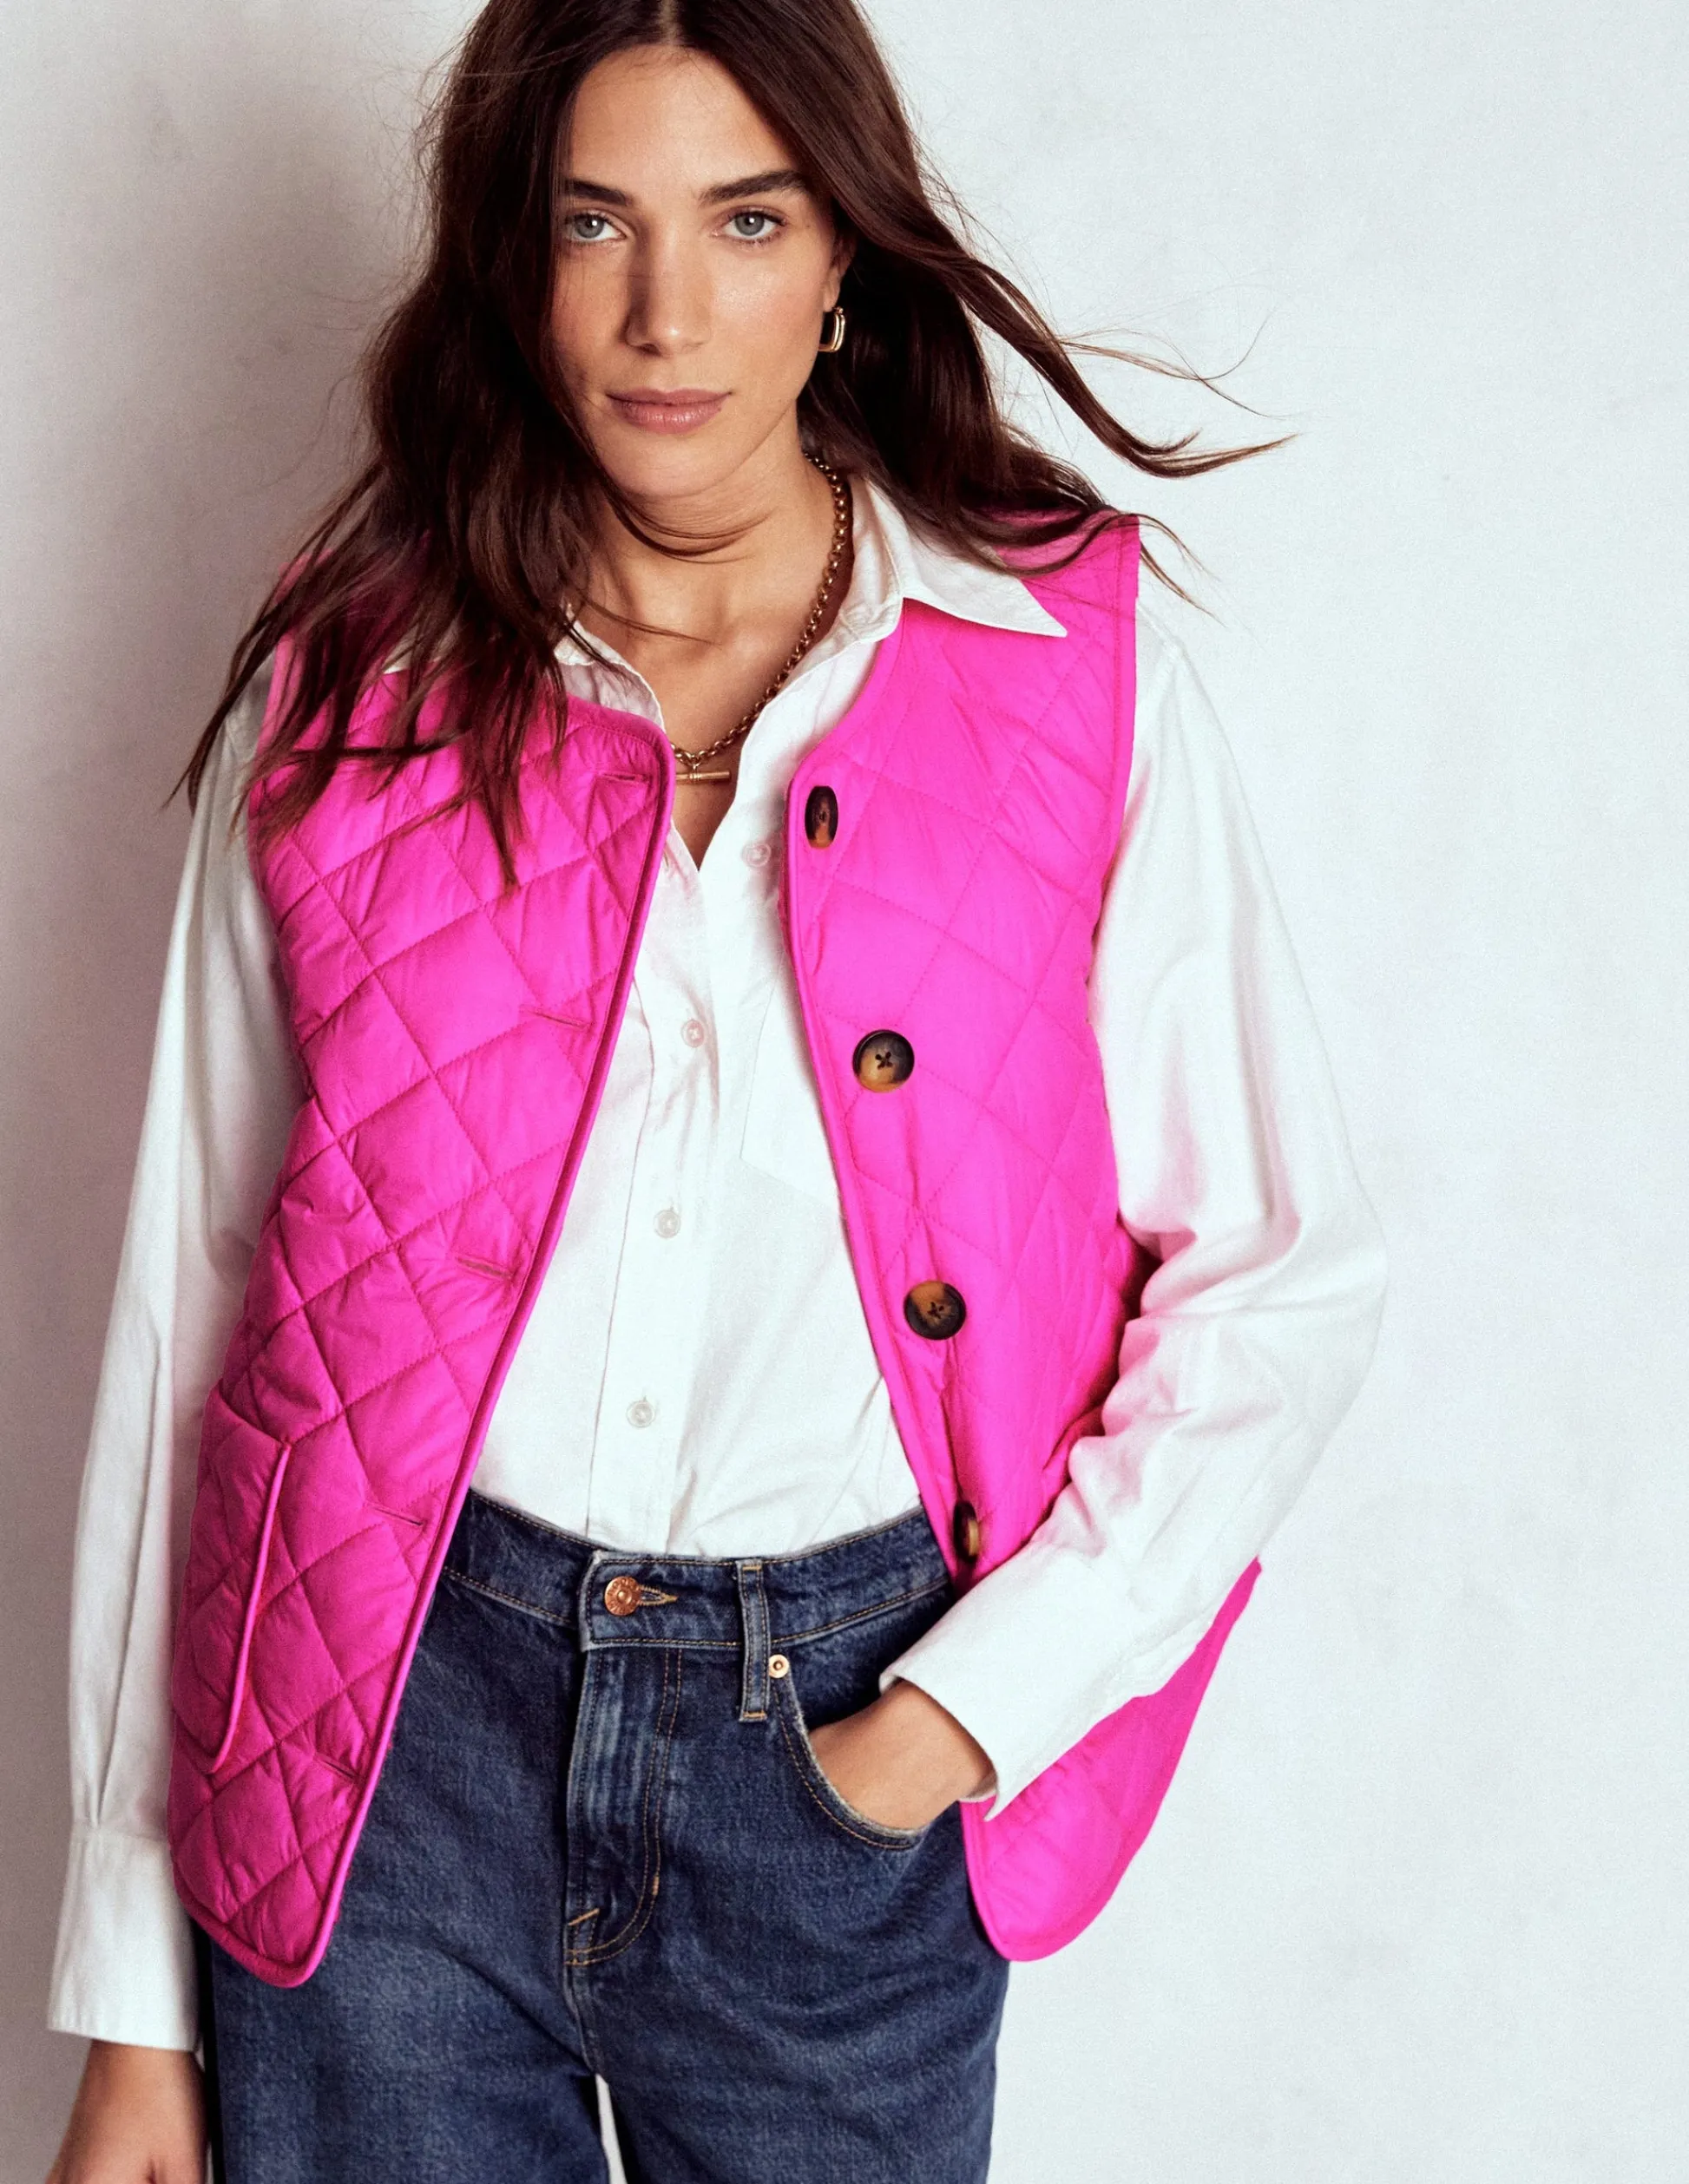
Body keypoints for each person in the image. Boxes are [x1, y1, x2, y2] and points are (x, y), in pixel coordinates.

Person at [44, 2, 1386, 2179]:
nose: (666, 313)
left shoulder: (1061, 666)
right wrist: (128, 1989)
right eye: (597, 223)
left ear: (841, 252)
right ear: (515, 257)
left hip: (838, 1748)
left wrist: (958, 1717)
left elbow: (1277, 1271)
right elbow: (192, 1317)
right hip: (386, 1756)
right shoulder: (344, 674)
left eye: (745, 221)